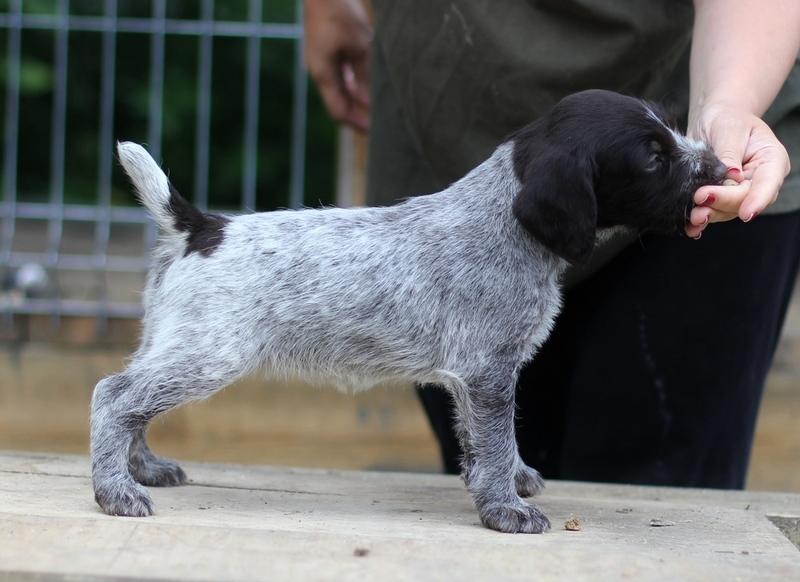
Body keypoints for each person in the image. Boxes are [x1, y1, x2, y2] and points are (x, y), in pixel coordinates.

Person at [303, 0, 800, 488]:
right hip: (439, 130)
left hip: (717, 69)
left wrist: (728, 106)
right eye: (658, 152)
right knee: (499, 472)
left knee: (656, 480)